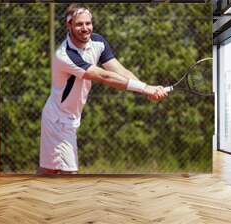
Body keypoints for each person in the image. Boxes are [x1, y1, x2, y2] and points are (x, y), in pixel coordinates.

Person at [38, 4, 169, 174]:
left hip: (66, 118)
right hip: (58, 121)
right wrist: (146, 89)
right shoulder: (66, 55)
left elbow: (118, 70)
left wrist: (145, 89)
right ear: (69, 25)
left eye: (88, 23)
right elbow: (104, 77)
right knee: (70, 175)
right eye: (79, 24)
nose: (85, 28)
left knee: (48, 171)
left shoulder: (98, 42)